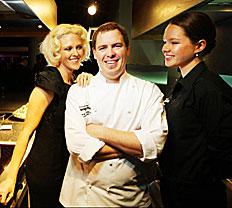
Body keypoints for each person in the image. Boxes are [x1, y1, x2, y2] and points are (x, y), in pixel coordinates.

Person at [59, 22, 168, 207]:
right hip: (85, 199)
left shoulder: (148, 91)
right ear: (94, 53)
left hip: (134, 198)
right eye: (102, 47)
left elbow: (155, 143)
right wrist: (135, 145)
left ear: (127, 50)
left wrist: (97, 131)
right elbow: (76, 144)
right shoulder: (79, 91)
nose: (110, 54)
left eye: (117, 46)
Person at [0, 23, 91, 207]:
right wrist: (11, 176)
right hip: (47, 170)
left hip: (66, 166)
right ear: (57, 52)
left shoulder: (73, 79)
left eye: (78, 47)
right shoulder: (50, 80)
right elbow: (26, 132)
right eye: (68, 48)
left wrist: (86, 79)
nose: (75, 52)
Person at [159, 11, 232, 208]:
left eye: (174, 43)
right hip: (175, 190)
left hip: (197, 197)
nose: (165, 48)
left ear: (199, 45)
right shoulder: (182, 82)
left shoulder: (209, 89)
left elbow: (222, 152)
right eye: (165, 42)